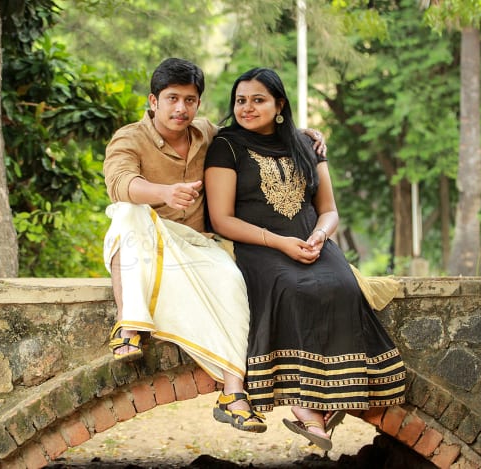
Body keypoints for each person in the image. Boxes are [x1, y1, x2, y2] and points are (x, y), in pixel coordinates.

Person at [101, 58, 325, 434]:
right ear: (153, 101)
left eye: (189, 100)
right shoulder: (129, 138)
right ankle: (130, 323)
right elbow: (120, 183)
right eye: (172, 99)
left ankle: (233, 394)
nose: (181, 108)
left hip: (198, 245)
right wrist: (163, 192)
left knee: (235, 284)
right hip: (147, 242)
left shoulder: (206, 133)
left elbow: (251, 131)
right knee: (126, 212)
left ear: (198, 103)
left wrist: (297, 133)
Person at [204, 67, 406, 451]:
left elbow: (329, 210)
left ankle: (333, 395)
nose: (247, 108)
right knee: (290, 287)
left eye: (258, 100)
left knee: (343, 285)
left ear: (279, 104)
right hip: (256, 245)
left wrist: (319, 236)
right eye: (241, 100)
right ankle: (305, 406)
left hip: (311, 242)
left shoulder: (305, 145)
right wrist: (280, 243)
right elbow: (222, 219)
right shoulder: (226, 146)